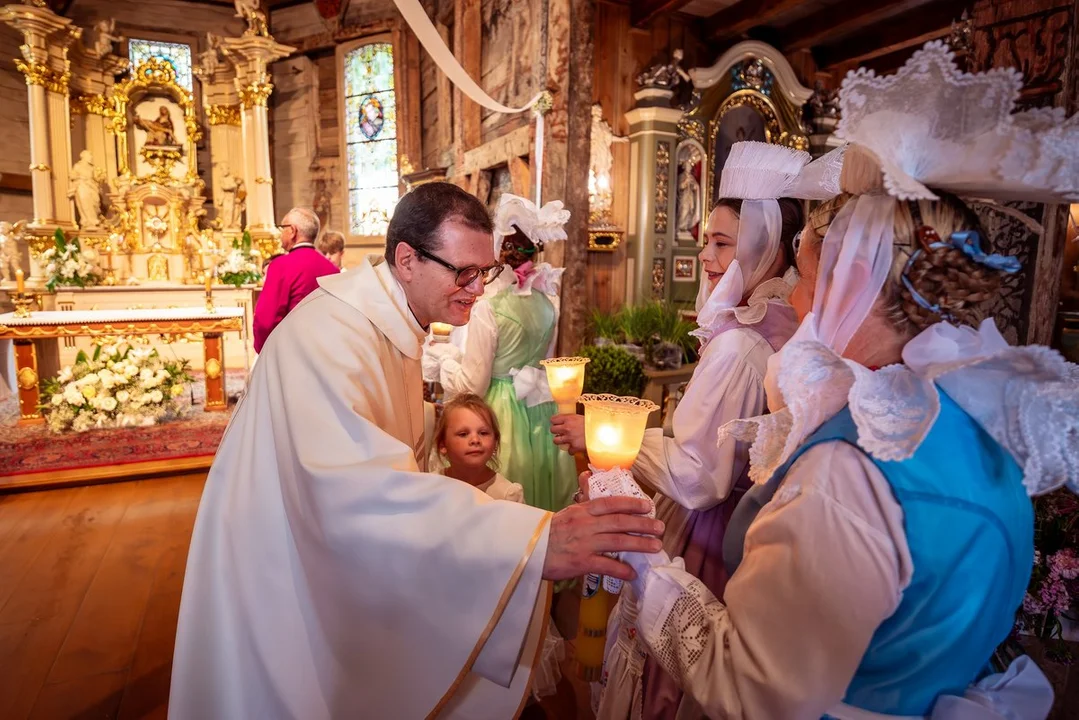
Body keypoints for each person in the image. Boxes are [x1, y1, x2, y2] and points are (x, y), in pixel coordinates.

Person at [610, 42, 1077, 719]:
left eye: (802, 273)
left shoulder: (850, 468)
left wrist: (648, 573)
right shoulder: (984, 422)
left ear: (845, 278)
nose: (794, 295)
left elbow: (752, 689)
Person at [170, 181, 665, 720]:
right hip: (281, 579)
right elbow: (360, 495)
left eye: (486, 272)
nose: (478, 290)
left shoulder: (387, 321)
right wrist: (532, 541)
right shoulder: (332, 335)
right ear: (406, 259)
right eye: (464, 272)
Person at [552, 141, 808, 720]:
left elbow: (697, 476)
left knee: (667, 679)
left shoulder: (740, 344)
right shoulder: (779, 321)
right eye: (706, 242)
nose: (708, 257)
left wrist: (607, 436)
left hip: (707, 535)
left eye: (722, 242)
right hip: (750, 524)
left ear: (763, 241)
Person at [430, 194, 577, 512]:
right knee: (540, 484)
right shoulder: (548, 301)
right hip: (540, 405)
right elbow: (545, 359)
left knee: (507, 496)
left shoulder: (488, 307)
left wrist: (445, 358)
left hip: (503, 409)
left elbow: (473, 383)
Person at [433, 392, 567, 701]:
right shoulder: (435, 486)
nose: (475, 440)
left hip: (492, 589)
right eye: (463, 434)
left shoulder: (506, 493)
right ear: (443, 445)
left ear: (495, 441)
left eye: (483, 433)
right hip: (448, 585)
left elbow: (517, 548)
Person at [251, 207, 338, 352]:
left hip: (292, 352)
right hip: (325, 352)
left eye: (282, 228)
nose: (280, 234)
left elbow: (265, 321)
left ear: (292, 231)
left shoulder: (280, 266)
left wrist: (264, 351)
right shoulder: (333, 270)